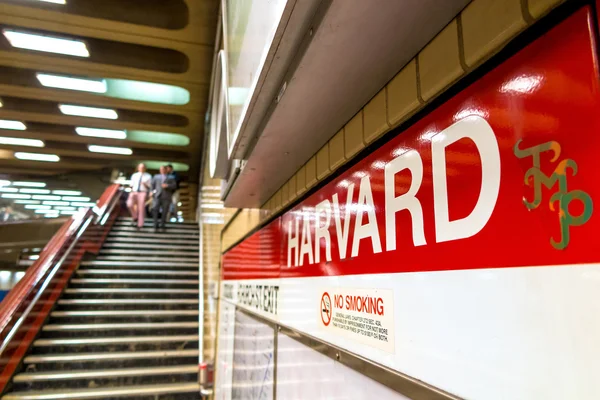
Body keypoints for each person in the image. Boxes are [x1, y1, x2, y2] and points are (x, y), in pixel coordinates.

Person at [151, 165, 177, 232]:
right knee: (155, 209)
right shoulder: (156, 177)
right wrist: (151, 192)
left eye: (163, 169)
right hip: (157, 195)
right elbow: (152, 185)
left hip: (166, 196)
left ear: (166, 170)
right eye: (161, 169)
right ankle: (155, 224)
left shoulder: (171, 177)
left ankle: (162, 224)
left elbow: (174, 186)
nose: (162, 170)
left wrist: (167, 186)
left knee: (165, 211)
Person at [126, 163, 152, 229]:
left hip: (143, 192)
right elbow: (131, 184)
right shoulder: (134, 175)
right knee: (129, 204)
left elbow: (150, 187)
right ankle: (135, 217)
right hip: (134, 192)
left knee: (141, 208)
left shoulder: (148, 176)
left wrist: (145, 184)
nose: (142, 168)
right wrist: (131, 191)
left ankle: (140, 224)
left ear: (145, 168)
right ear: (138, 168)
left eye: (143, 167)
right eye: (140, 167)